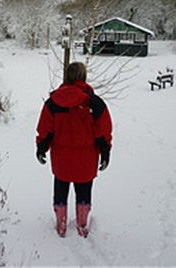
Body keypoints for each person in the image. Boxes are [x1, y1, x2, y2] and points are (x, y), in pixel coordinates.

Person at [35, 62, 113, 238]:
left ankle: (61, 226)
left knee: (60, 189)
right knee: (84, 191)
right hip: (86, 159)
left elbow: (46, 130)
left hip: (61, 159)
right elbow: (103, 131)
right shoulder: (95, 103)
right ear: (83, 77)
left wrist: (41, 148)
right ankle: (82, 225)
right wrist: (105, 151)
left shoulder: (53, 102)